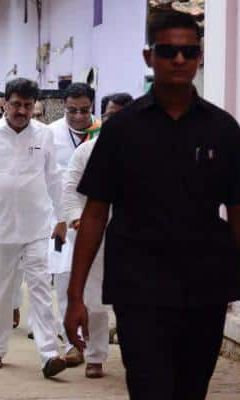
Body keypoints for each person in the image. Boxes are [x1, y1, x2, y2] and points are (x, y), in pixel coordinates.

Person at [65, 10, 240, 399]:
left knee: (191, 389)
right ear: (149, 57)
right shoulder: (122, 130)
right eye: (168, 50)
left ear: (199, 57)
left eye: (188, 51)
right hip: (139, 288)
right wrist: (75, 295)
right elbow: (95, 214)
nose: (179, 59)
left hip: (205, 288)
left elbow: (238, 212)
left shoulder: (223, 130)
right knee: (149, 387)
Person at [0, 78, 67, 377]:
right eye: (16, 104)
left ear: (34, 107)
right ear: (5, 103)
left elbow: (55, 179)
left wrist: (62, 218)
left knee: (42, 289)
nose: (21, 110)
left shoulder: (44, 135)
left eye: (27, 106)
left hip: (37, 226)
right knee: (3, 291)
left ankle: (48, 354)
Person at [61, 92, 132, 379]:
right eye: (111, 116)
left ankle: (135, 357)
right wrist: (76, 218)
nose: (117, 122)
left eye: (123, 116)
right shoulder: (87, 152)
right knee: (94, 300)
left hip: (134, 238)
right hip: (94, 237)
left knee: (134, 302)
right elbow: (70, 189)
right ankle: (95, 357)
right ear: (102, 118)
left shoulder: (146, 151)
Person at [47, 82, 99, 368]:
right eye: (71, 110)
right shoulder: (51, 134)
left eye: (84, 110)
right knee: (66, 279)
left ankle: (93, 345)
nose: (78, 116)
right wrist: (60, 219)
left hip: (98, 219)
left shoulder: (104, 133)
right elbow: (49, 180)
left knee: (95, 286)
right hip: (61, 220)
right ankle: (72, 344)